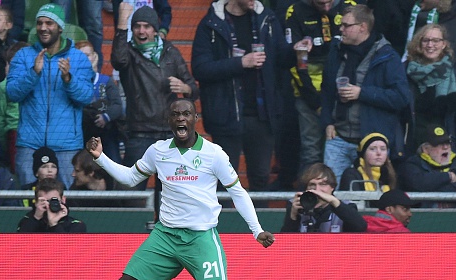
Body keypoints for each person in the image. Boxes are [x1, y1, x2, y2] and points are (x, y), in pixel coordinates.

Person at [51, 99, 275, 280]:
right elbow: (131, 178)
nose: (180, 119)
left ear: (195, 118)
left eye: (186, 114)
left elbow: (238, 192)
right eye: (175, 114)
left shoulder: (214, 154)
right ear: (169, 120)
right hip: (165, 235)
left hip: (200, 237)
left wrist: (256, 230)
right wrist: (100, 157)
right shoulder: (158, 152)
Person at [191, 0, 297, 193]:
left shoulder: (267, 19)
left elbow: (282, 59)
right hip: (226, 114)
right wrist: (240, 63)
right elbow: (200, 68)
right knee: (224, 179)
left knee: (261, 177)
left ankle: (257, 223)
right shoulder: (210, 24)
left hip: (262, 115)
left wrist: (296, 50)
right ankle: (222, 223)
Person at [320, 4, 411, 184]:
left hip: (371, 143)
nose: (341, 29)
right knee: (331, 195)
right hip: (338, 138)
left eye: (346, 25)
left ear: (363, 27)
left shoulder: (387, 56)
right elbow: (327, 90)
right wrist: (327, 122)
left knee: (371, 200)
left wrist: (362, 93)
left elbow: (401, 97)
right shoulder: (336, 51)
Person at [6, 3, 93, 190]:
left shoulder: (78, 59)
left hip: (66, 146)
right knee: (27, 202)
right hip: (30, 144)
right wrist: (33, 73)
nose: (43, 28)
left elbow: (86, 97)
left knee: (66, 203)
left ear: (60, 27)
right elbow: (12, 93)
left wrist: (69, 79)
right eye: (39, 23)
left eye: (49, 23)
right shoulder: (23, 55)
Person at [112, 3, 198, 190]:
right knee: (130, 194)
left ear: (155, 29)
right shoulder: (128, 52)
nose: (141, 31)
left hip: (170, 134)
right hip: (139, 134)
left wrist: (185, 88)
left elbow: (193, 88)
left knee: (171, 196)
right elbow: (118, 60)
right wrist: (121, 24)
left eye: (146, 26)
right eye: (137, 26)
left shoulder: (170, 52)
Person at [285, 0, 364, 176]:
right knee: (311, 149)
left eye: (330, 2)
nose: (327, 8)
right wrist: (316, 102)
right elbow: (294, 61)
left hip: (340, 89)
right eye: (321, 4)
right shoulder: (296, 11)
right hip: (307, 89)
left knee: (344, 144)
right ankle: (308, 197)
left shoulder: (349, 6)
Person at [405, 24, 456, 166]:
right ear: (419, 43)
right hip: (414, 145)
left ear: (444, 44)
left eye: (436, 41)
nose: (430, 45)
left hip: (446, 146)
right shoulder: (405, 70)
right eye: (426, 40)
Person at [400, 123, 456, 208]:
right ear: (426, 149)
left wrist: (431, 187)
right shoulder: (413, 164)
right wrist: (448, 176)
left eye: (447, 143)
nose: (445, 147)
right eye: (438, 144)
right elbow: (418, 184)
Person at [281, 162, 367, 232]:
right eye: (312, 185)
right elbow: (285, 243)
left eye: (323, 184)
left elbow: (361, 227)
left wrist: (334, 201)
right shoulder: (296, 205)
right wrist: (293, 216)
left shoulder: (346, 206)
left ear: (332, 187)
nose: (317, 189)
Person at [76, 40, 124, 164]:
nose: (85, 59)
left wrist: (105, 117)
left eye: (88, 55)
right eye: (81, 55)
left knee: (113, 164)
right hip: (82, 133)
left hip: (106, 133)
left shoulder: (105, 80)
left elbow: (117, 105)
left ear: (94, 56)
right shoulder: (71, 82)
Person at [0, 41, 29, 171]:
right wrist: (6, 142)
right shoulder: (4, 86)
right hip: (14, 135)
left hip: (35, 135)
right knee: (18, 171)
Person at [16, 177, 86, 233]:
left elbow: (67, 248)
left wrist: (54, 224)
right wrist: (36, 218)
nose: (48, 205)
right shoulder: (27, 221)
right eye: (44, 201)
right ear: (36, 201)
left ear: (63, 200)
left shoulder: (76, 225)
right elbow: (20, 245)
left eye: (53, 200)